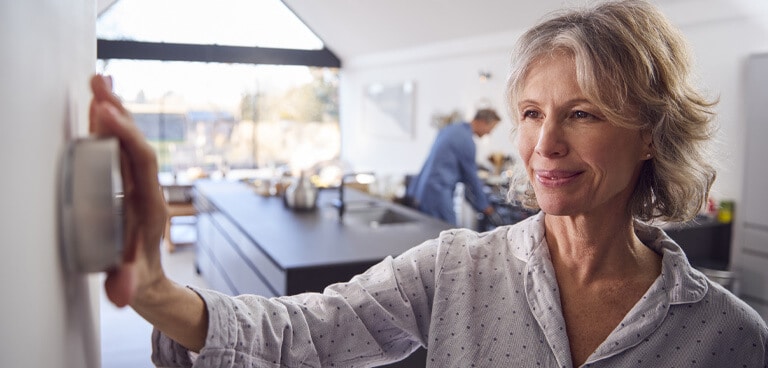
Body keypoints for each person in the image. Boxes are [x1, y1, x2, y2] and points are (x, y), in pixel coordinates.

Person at [91, 0, 767, 366]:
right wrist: (154, 291)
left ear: (649, 132)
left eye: (582, 114)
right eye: (532, 113)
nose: (545, 143)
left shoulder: (728, 337)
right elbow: (302, 334)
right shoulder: (455, 269)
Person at [406, 108, 501, 226]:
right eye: (491, 128)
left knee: (430, 232)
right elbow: (471, 177)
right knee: (449, 234)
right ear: (482, 122)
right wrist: (485, 205)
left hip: (422, 189)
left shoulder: (450, 129)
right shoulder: (466, 141)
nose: (489, 133)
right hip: (437, 192)